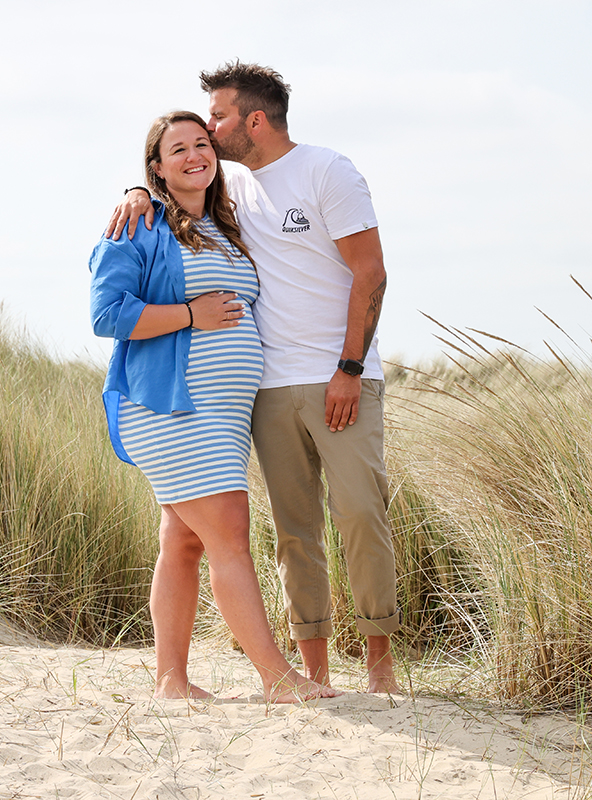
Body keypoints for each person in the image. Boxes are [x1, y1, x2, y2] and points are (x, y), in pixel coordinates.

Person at [107, 62, 401, 694]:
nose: (205, 139)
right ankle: (293, 672)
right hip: (219, 399)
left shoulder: (294, 183)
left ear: (254, 120)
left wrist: (349, 367)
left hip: (313, 385)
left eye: (214, 121)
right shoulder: (186, 204)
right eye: (189, 140)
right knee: (273, 535)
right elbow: (115, 300)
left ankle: (373, 666)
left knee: (349, 516)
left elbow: (370, 272)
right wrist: (135, 194)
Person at [90, 110, 339, 703]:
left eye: (202, 143)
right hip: (170, 408)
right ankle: (277, 679)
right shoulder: (140, 226)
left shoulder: (226, 227)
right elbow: (107, 314)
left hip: (222, 418)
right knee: (230, 534)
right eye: (178, 149)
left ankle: (171, 681)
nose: (195, 155)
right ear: (156, 166)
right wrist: (191, 315)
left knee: (183, 539)